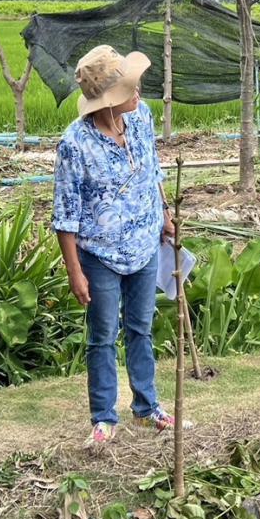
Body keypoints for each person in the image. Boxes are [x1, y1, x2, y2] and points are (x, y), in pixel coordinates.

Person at [53, 44, 179, 446]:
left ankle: (147, 408)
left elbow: (153, 168)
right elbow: (65, 214)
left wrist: (164, 213)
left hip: (144, 243)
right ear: (108, 100)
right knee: (103, 335)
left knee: (141, 328)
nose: (137, 92)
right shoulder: (75, 144)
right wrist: (75, 271)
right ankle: (104, 417)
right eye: (129, 87)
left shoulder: (140, 117)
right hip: (100, 254)